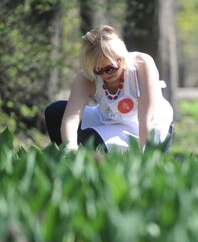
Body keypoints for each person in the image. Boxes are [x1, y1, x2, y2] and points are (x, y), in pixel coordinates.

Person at [44, 25, 173, 152]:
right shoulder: (86, 77)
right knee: (55, 112)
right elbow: (71, 119)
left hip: (146, 128)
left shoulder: (142, 65)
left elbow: (146, 119)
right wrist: (70, 149)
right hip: (109, 120)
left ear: (121, 59)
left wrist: (143, 156)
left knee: (86, 142)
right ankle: (66, 164)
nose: (105, 75)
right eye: (97, 70)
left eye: (110, 69)